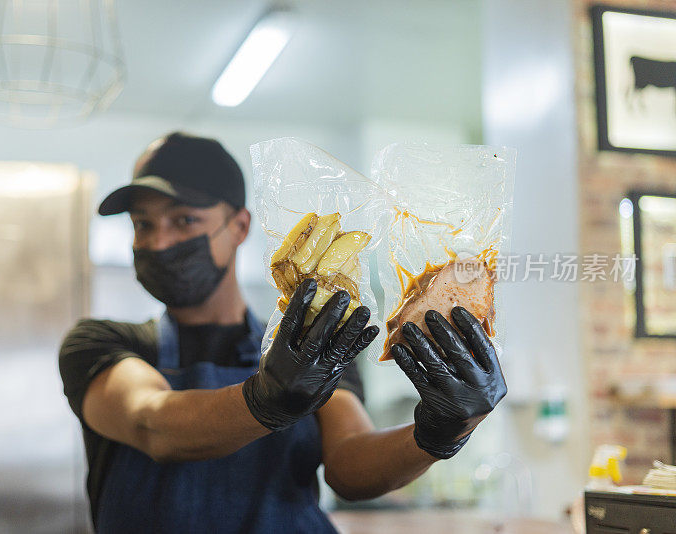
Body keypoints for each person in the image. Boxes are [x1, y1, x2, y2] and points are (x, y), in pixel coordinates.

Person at [58, 132, 507, 533]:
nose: (158, 242)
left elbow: (350, 467)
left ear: (239, 227)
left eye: (183, 220)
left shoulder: (314, 345)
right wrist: (262, 401)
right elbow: (152, 422)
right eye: (143, 225)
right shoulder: (101, 343)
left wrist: (438, 434)